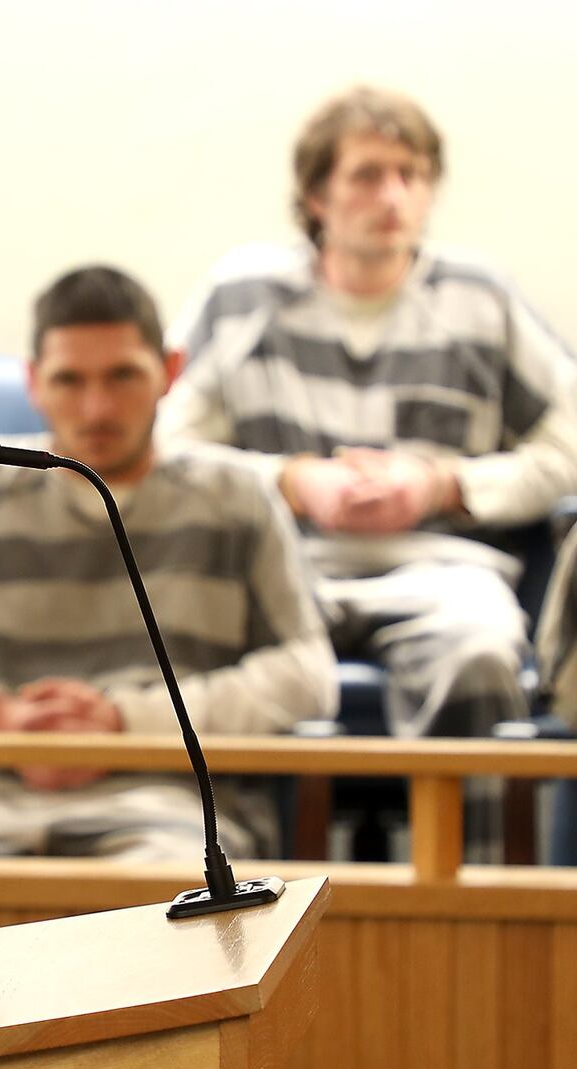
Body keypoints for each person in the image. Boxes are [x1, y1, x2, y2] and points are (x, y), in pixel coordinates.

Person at [0, 266, 336, 860]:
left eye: (123, 376)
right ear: (33, 383)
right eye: (69, 380)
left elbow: (308, 674)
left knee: (173, 922)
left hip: (171, 810)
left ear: (171, 372)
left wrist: (125, 725)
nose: (97, 408)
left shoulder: (236, 496)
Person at [158, 87, 577, 755]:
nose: (394, 197)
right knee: (183, 652)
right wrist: (292, 483)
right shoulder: (240, 297)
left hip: (443, 576)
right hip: (280, 569)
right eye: (368, 174)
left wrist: (443, 486)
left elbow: (569, 439)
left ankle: (469, 860)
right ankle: (241, 855)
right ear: (317, 197)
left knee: (481, 656)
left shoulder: (480, 299)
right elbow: (165, 450)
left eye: (411, 176)